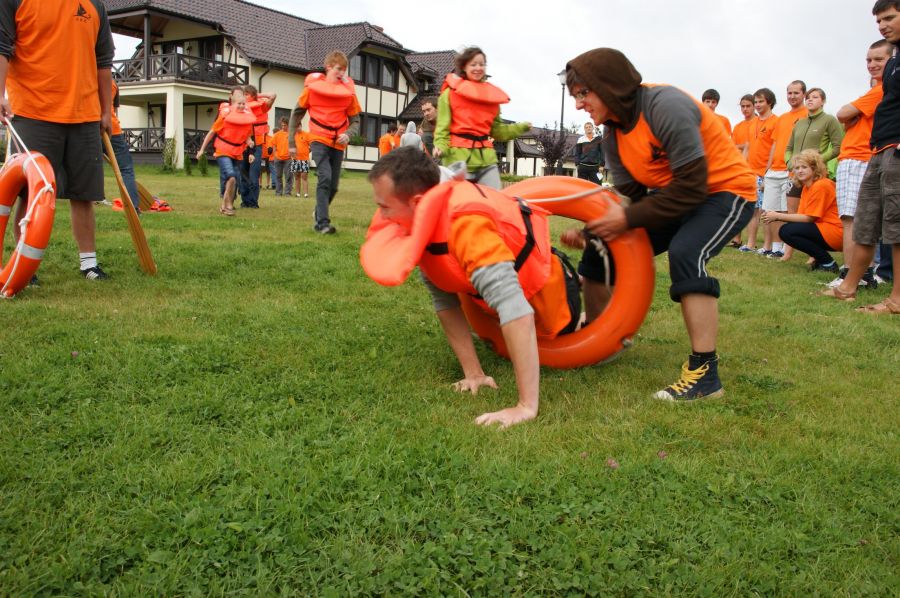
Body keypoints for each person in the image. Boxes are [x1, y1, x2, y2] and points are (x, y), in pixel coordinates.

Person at [564, 48, 756, 401]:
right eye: (575, 96)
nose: (578, 105)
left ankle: (705, 376)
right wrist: (597, 231)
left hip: (725, 192)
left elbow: (692, 186)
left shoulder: (663, 105)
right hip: (675, 196)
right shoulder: (612, 135)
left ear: (608, 85)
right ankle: (600, 340)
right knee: (601, 248)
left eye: (582, 94)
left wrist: (625, 218)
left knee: (687, 251)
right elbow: (637, 200)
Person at [362, 147, 584, 427]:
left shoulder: (467, 225)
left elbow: (516, 310)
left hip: (549, 296)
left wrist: (526, 406)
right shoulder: (423, 222)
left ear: (418, 202)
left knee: (567, 327)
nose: (381, 217)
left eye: (385, 207)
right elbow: (445, 301)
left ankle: (588, 277)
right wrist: (473, 373)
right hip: (493, 303)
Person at [0, 0, 115, 281]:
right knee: (32, 193)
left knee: (84, 194)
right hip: (32, 110)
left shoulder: (94, 5)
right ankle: (25, 265)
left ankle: (89, 264)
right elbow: (3, 49)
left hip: (84, 115)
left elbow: (103, 63)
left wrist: (105, 111)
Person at [823, 0, 900, 314]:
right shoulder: (894, 61)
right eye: (879, 21)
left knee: (896, 227)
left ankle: (896, 300)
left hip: (897, 148)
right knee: (866, 221)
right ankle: (847, 287)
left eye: (889, 18)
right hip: (878, 150)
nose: (882, 25)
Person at [830, 39, 893, 289]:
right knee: (860, 219)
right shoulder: (877, 90)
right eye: (869, 59)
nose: (872, 64)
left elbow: (843, 114)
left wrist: (854, 111)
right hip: (860, 156)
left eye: (879, 59)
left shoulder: (879, 90)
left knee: (852, 220)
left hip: (857, 157)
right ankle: (863, 273)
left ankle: (850, 273)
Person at [433, 46, 530, 189]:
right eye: (473, 64)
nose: (478, 68)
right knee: (459, 204)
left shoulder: (491, 98)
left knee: (493, 201)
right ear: (464, 67)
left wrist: (521, 127)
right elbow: (442, 128)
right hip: (458, 159)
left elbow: (498, 131)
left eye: (482, 64)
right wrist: (440, 146)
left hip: (486, 160)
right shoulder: (449, 94)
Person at [288, 50, 361, 234]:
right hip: (319, 139)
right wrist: (291, 142)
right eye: (339, 69)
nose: (342, 73)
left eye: (344, 70)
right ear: (328, 67)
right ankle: (322, 224)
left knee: (334, 187)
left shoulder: (348, 94)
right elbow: (296, 114)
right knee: (325, 177)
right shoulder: (311, 90)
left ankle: (319, 211)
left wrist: (349, 134)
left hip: (338, 142)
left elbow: (356, 120)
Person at [762, 150, 842, 272]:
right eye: (797, 168)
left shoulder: (821, 185)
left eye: (804, 167)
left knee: (787, 231)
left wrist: (777, 216)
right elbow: (801, 217)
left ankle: (827, 263)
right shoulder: (807, 188)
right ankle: (821, 261)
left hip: (836, 232)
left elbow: (809, 218)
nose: (799, 170)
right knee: (789, 230)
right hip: (825, 230)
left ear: (815, 169)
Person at [762, 80, 808, 259]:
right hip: (774, 170)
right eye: (789, 93)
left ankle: (787, 249)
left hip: (792, 171)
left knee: (787, 211)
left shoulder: (806, 115)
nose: (792, 96)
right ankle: (775, 247)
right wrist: (768, 168)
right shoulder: (782, 118)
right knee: (772, 209)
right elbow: (774, 144)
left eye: (796, 93)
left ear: (803, 94)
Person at [196, 91, 254, 216]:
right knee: (231, 176)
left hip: (237, 153)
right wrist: (201, 149)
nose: (241, 106)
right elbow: (212, 132)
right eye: (239, 103)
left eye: (243, 104)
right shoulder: (224, 116)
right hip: (223, 151)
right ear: (232, 104)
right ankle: (228, 205)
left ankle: (224, 205)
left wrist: (250, 143)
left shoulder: (246, 119)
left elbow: (247, 136)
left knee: (234, 179)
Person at [741, 88, 779, 254]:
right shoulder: (752, 123)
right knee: (752, 209)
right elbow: (748, 147)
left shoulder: (775, 121)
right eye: (756, 102)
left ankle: (768, 246)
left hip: (766, 172)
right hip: (751, 172)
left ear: (769, 102)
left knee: (766, 210)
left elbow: (774, 148)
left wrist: (768, 171)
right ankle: (750, 243)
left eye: (760, 101)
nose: (757, 105)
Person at [240, 85, 276, 208]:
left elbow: (273, 95)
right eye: (243, 94)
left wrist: (257, 95)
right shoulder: (240, 107)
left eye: (247, 94)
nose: (244, 96)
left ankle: (253, 202)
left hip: (257, 144)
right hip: (243, 144)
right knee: (243, 174)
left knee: (254, 175)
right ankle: (245, 201)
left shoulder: (262, 107)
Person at [727, 94, 756, 247]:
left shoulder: (757, 124)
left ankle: (753, 242)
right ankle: (736, 238)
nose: (745, 109)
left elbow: (751, 145)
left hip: (755, 168)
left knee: (754, 208)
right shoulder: (738, 126)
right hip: (739, 169)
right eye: (743, 106)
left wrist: (743, 146)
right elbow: (732, 146)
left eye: (748, 106)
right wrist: (742, 146)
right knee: (736, 205)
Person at [110, 80, 141, 213]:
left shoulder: (86, 78)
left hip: (90, 127)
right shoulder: (112, 82)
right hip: (112, 130)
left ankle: (93, 198)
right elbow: (115, 109)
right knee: (126, 169)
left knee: (89, 166)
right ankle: (133, 206)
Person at [270, 118, 292, 196]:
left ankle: (287, 193)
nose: (283, 127)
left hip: (288, 159)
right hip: (278, 158)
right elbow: (274, 145)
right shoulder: (277, 134)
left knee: (288, 176)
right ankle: (278, 192)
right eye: (282, 125)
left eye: (285, 125)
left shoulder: (291, 134)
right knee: (278, 176)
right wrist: (275, 154)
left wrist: (291, 154)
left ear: (288, 125)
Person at [291, 127, 311, 198]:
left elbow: (311, 145)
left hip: (304, 159)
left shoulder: (306, 134)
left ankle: (306, 193)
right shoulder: (293, 135)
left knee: (304, 176)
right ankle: (297, 193)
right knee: (296, 176)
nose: (297, 128)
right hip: (295, 159)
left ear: (301, 126)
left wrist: (306, 152)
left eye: (298, 126)